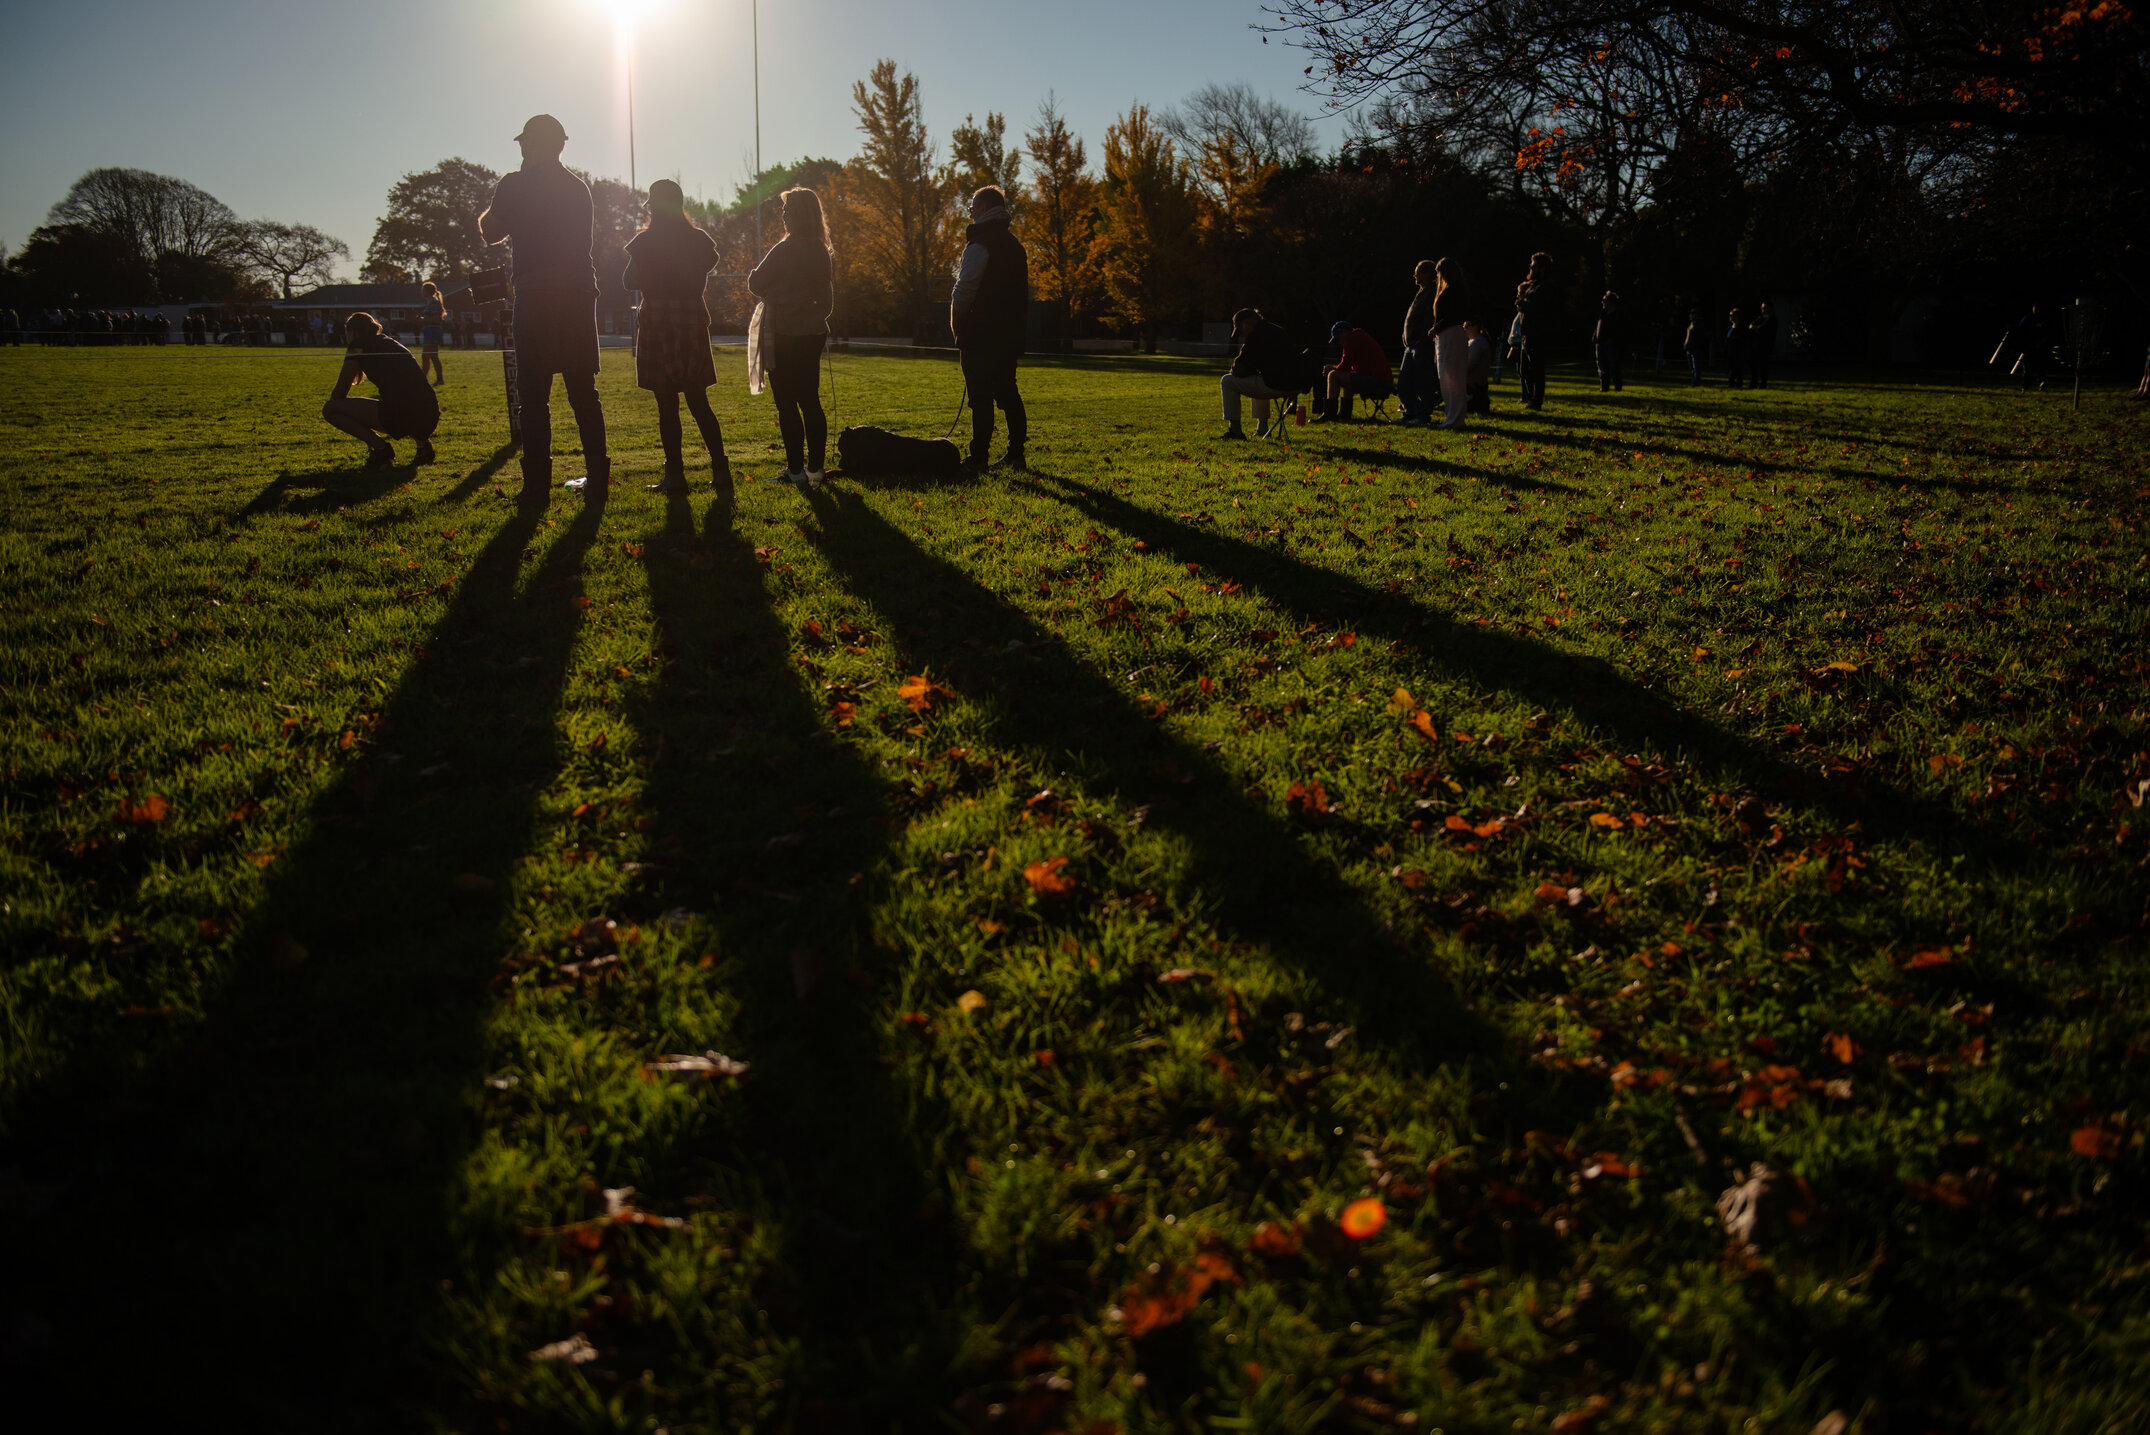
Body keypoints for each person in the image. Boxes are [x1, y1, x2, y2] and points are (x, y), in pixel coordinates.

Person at [478, 112, 609, 505]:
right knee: (583, 393)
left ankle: (536, 488)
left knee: (533, 398)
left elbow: (490, 231)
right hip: (578, 294)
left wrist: (502, 198)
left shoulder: (514, 184)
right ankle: (598, 482)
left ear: (532, 143)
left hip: (535, 295)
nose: (520, 147)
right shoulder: (578, 188)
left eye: (523, 141)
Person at [625, 178, 728, 492]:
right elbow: (711, 261)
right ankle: (721, 471)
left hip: (658, 320)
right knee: (698, 400)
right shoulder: (698, 240)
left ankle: (675, 476)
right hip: (690, 319)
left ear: (653, 207)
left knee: (666, 404)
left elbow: (628, 281)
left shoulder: (644, 243)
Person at [748, 185, 836, 486]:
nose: (782, 215)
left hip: (782, 333)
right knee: (810, 400)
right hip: (812, 333)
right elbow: (827, 303)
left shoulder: (784, 250)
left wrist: (773, 290)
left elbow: (755, 283)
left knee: (786, 403)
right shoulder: (821, 251)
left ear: (796, 214)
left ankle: (795, 471)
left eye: (786, 210)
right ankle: (816, 469)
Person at [948, 183, 1030, 472]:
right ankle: (1015, 454)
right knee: (1008, 393)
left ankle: (978, 457)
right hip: (1009, 333)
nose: (970, 213)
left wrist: (957, 327)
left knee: (980, 397)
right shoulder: (1015, 246)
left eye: (972, 207)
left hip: (980, 333)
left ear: (983, 208)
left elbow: (963, 292)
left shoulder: (979, 244)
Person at [321, 311, 439, 468]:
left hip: (403, 414)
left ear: (353, 332)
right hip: (430, 412)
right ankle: (423, 446)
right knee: (405, 399)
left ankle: (380, 448)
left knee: (330, 408)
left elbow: (339, 394)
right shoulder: (390, 342)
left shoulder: (357, 347)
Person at [1219, 307, 1299, 439]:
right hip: (1294, 384)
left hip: (1275, 384)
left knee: (1227, 381)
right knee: (1258, 378)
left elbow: (1239, 369)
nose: (1242, 335)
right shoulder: (1278, 330)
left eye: (1241, 330)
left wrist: (1238, 369)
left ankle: (1235, 431)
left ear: (1248, 323)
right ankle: (1262, 429)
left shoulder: (1255, 336)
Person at [1312, 320, 1393, 422]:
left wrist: (1331, 369)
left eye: (1338, 339)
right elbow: (1347, 368)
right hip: (1384, 381)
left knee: (1333, 375)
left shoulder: (1352, 339)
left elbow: (1345, 365)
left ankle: (1329, 414)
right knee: (1347, 376)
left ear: (1344, 332)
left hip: (1377, 382)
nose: (1339, 343)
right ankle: (1344, 414)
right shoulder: (1359, 336)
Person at [1427, 258, 1471, 429]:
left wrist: (1436, 328)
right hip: (1448, 334)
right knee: (1448, 377)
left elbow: (1453, 315)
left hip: (1451, 334)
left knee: (1452, 377)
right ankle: (1453, 416)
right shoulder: (1455, 289)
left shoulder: (1454, 291)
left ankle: (1455, 418)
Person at [1396, 261, 1438, 425]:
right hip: (1412, 344)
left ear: (1427, 274)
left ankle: (1422, 415)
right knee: (1405, 380)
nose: (1415, 276)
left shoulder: (1432, 292)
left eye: (1418, 273)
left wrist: (1421, 338)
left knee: (1423, 380)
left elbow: (1427, 319)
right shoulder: (1422, 293)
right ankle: (1410, 411)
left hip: (1421, 344)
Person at [1513, 251, 1553, 410]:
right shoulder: (1534, 284)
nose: (1531, 268)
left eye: (1533, 266)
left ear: (1542, 268)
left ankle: (1536, 400)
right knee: (1525, 368)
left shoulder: (1546, 286)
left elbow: (1540, 308)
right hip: (1527, 331)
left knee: (1536, 368)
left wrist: (1523, 305)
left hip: (1537, 332)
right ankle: (1530, 396)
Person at [2011, 303, 2053, 390]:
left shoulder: (2044, 319)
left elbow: (2048, 332)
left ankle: (2042, 383)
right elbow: (2020, 330)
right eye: (2035, 308)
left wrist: (2043, 341)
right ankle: (2025, 385)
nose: (2036, 310)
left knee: (2041, 367)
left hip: (2040, 347)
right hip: (2028, 347)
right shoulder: (2028, 318)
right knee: (2027, 368)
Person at [415, 281, 447, 382]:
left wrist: (423, 320)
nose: (421, 292)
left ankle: (422, 380)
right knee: (433, 356)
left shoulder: (433, 302)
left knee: (426, 355)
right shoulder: (430, 302)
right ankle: (439, 379)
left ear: (427, 291)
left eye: (423, 290)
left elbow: (436, 319)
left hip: (432, 331)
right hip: (430, 331)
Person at [1594, 291, 1625, 392]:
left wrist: (1611, 340)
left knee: (1614, 367)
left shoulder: (1617, 315)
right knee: (1602, 368)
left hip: (1611, 345)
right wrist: (1595, 337)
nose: (1603, 302)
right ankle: (1604, 387)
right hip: (1600, 344)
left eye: (1605, 300)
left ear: (1611, 302)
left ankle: (1617, 387)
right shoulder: (1603, 314)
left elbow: (1619, 330)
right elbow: (1599, 326)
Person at [1463, 320, 1493, 415]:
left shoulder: (1477, 342)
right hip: (1477, 382)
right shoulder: (1476, 341)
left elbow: (1470, 364)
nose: (1465, 329)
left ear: (1475, 327)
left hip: (1474, 384)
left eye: (1467, 326)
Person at [1750, 301, 1778, 388]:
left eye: (1765, 308)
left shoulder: (1772, 320)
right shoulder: (1760, 318)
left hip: (1766, 346)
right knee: (1754, 365)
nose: (1763, 310)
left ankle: (1762, 383)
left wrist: (1756, 328)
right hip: (1757, 345)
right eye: (1762, 308)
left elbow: (1762, 329)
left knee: (1763, 365)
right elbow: (1751, 326)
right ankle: (1754, 382)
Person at [1725, 308, 1751, 390]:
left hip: (1738, 351)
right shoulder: (1731, 327)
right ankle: (1731, 383)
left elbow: (1742, 339)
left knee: (1738, 368)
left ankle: (1738, 383)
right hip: (1730, 350)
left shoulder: (1741, 328)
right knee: (1731, 368)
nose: (1730, 317)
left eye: (1732, 315)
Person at [1683, 307, 1706, 385]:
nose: (1691, 316)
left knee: (1696, 367)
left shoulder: (1699, 325)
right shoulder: (1691, 324)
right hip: (1690, 349)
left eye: (1693, 314)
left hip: (1696, 349)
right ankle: (1694, 380)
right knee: (1692, 367)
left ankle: (1696, 381)